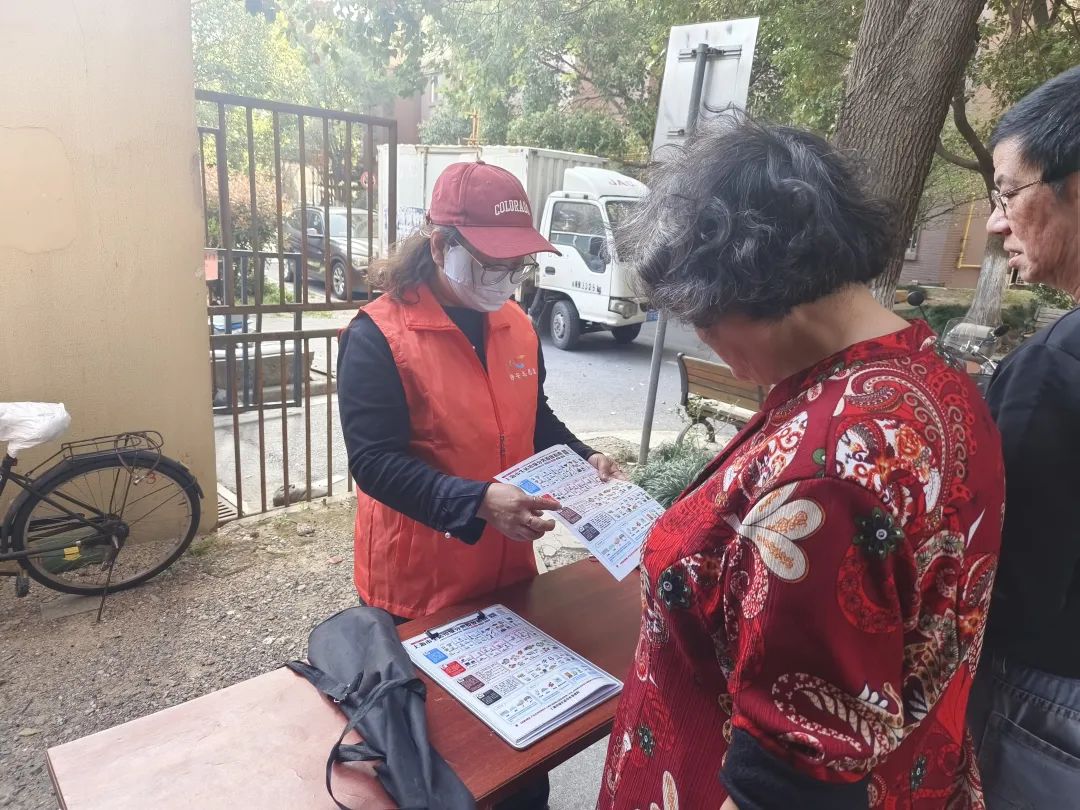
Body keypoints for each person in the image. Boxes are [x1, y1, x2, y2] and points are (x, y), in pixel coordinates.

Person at [594, 116, 1004, 810]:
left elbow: (789, 784)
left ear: (750, 290)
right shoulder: (934, 378)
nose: (704, 337)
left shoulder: (830, 476)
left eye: (702, 318)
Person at [338, 160, 620, 621]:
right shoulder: (377, 336)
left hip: (506, 567)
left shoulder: (518, 326)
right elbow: (374, 463)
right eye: (491, 265)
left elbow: (535, 418)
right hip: (418, 581)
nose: (506, 280)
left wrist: (584, 457)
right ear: (439, 246)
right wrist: (479, 503)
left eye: (518, 265)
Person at [965, 65, 1080, 809]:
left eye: (1008, 194)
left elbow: (998, 578)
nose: (995, 222)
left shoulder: (1056, 369)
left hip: (1045, 712)